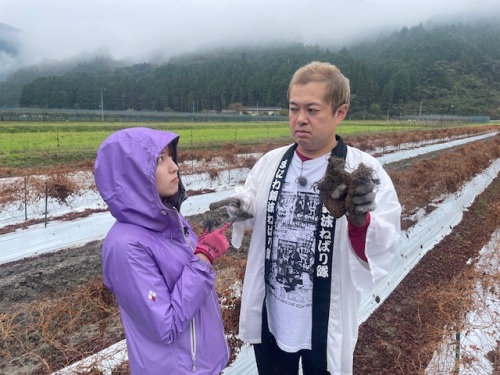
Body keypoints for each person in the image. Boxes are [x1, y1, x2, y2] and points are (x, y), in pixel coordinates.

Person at [214, 61, 401, 374]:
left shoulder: (362, 172)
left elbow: (385, 246)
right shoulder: (270, 163)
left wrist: (360, 221)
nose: (300, 119)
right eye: (293, 108)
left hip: (325, 317)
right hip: (273, 312)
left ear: (340, 112)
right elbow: (251, 208)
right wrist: (239, 208)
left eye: (312, 110)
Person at [94, 127, 231, 375]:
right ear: (132, 175)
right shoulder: (126, 247)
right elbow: (165, 324)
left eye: (171, 156)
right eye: (160, 160)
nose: (174, 167)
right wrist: (203, 257)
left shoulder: (171, 218)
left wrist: (202, 250)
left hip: (203, 365)